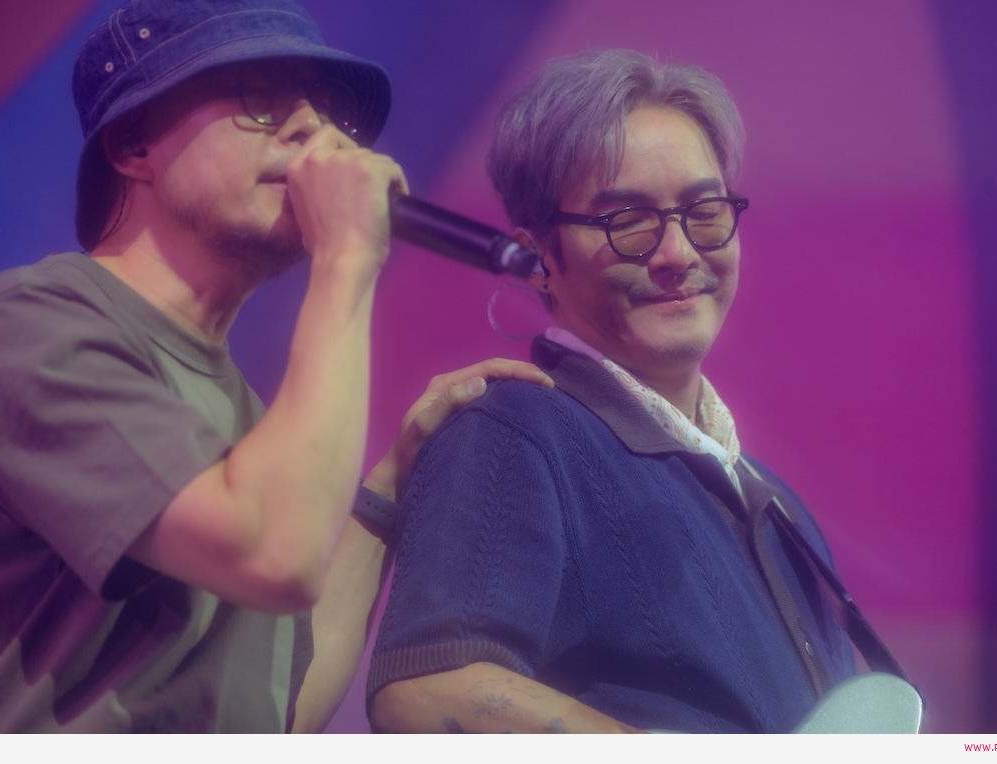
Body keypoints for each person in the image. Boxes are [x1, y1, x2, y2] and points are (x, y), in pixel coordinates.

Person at [0, 0, 549, 733]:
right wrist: (347, 256)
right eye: (261, 98)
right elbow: (276, 554)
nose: (314, 128)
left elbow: (284, 714)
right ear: (133, 144)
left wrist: (389, 486)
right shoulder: (32, 326)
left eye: (326, 107)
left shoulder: (255, 429)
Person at [366, 48, 863, 734]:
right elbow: (428, 692)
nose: (678, 253)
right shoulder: (512, 429)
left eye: (704, 210)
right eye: (626, 221)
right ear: (540, 256)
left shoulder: (780, 509)